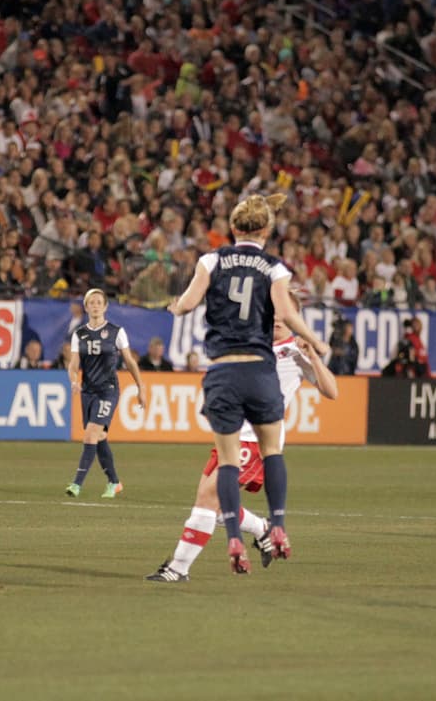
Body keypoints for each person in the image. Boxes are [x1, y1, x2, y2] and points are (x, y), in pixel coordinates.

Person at [167, 194, 328, 573]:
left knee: (212, 489)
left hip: (224, 371)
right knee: (267, 459)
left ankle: (179, 567)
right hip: (259, 371)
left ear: (232, 227)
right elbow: (287, 311)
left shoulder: (212, 259)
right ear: (268, 231)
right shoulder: (274, 267)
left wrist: (175, 306)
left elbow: (188, 305)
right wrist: (317, 340)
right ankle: (272, 525)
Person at [148, 294, 338, 582]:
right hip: (231, 432)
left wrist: (313, 355)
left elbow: (331, 391)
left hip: (256, 439)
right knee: (217, 503)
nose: (275, 318)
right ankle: (261, 530)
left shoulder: (296, 351)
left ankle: (178, 568)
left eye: (283, 315)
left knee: (208, 499)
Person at [64, 289, 146, 499]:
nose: (95, 305)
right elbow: (73, 365)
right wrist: (74, 381)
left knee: (91, 434)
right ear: (86, 307)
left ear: (106, 306)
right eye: (91, 302)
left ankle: (76, 484)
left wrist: (140, 387)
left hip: (108, 390)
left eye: (99, 302)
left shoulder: (116, 332)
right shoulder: (79, 334)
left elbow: (129, 361)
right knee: (99, 437)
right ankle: (114, 482)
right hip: (88, 391)